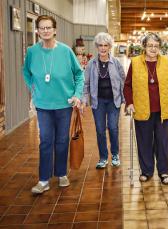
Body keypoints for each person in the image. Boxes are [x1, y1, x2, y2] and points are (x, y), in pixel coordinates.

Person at [23, 15, 84, 194]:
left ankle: (61, 173)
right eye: (41, 28)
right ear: (37, 31)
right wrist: (33, 89)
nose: (45, 31)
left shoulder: (66, 51)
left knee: (62, 140)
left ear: (55, 30)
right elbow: (26, 72)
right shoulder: (32, 52)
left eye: (48, 27)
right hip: (43, 105)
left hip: (64, 104)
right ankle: (43, 180)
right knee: (46, 141)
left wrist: (77, 95)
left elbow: (79, 74)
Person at [124, 32, 168, 185]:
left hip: (163, 109)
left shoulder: (165, 61)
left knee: (163, 142)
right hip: (142, 109)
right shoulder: (135, 62)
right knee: (144, 141)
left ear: (159, 47)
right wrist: (129, 102)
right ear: (144, 46)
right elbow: (127, 85)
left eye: (156, 46)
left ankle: (163, 171)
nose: (153, 49)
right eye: (150, 45)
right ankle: (147, 171)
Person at [82, 32, 125, 169]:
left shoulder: (116, 63)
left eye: (106, 45)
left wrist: (126, 101)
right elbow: (85, 84)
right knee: (100, 130)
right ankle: (103, 157)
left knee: (113, 128)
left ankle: (115, 154)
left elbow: (123, 82)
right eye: (100, 45)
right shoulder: (91, 64)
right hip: (98, 102)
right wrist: (84, 100)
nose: (103, 48)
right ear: (97, 47)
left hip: (114, 101)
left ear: (110, 47)